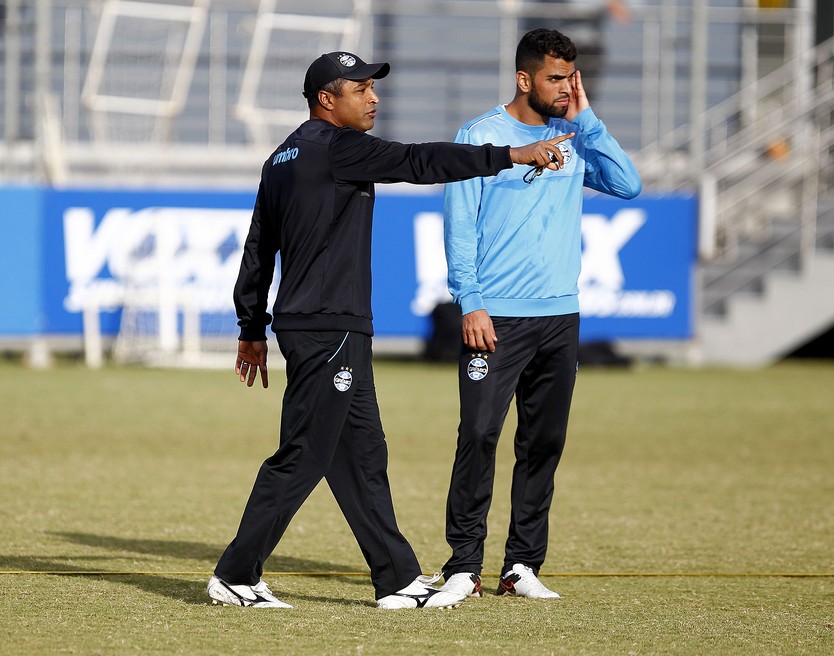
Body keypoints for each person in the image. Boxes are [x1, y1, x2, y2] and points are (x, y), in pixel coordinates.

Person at [208, 50, 572, 610]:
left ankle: (397, 578)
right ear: (327, 99)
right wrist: (511, 154)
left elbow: (259, 247)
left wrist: (251, 327)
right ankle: (236, 573)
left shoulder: (281, 155)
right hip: (329, 328)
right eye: (361, 89)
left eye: (373, 87)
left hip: (321, 326)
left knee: (361, 454)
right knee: (305, 453)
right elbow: (420, 161)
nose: (374, 97)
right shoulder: (337, 148)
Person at [439, 29, 641, 600]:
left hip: (560, 317)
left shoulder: (574, 137)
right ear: (524, 78)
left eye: (573, 78)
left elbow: (628, 185)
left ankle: (521, 566)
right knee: (478, 435)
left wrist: (589, 118)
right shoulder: (479, 137)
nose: (566, 88)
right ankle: (462, 566)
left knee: (543, 442)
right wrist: (470, 300)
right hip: (495, 317)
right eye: (556, 78)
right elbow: (460, 225)